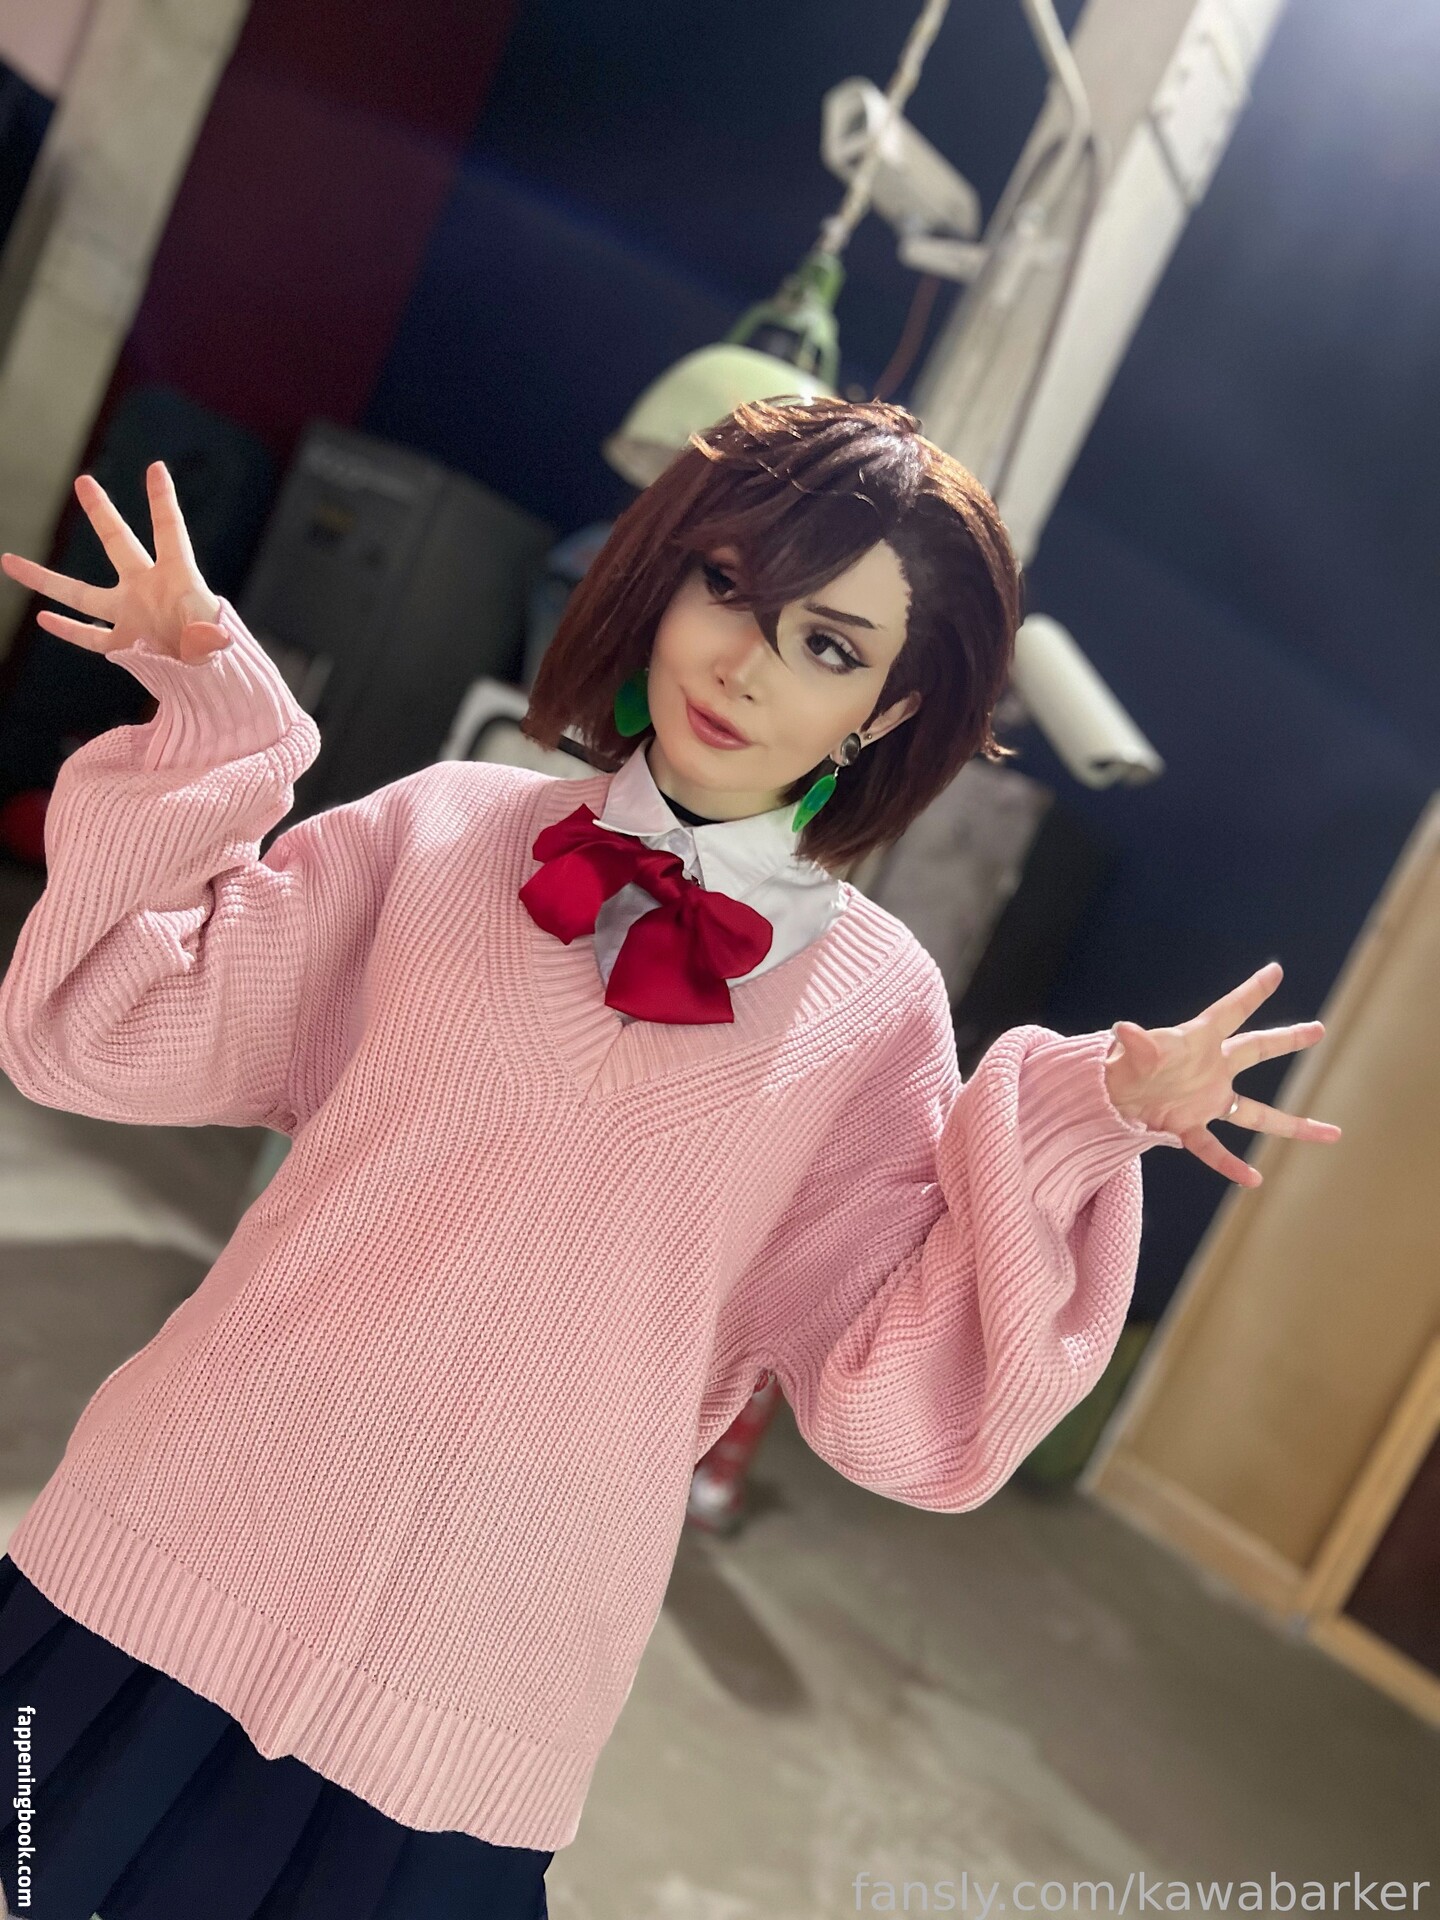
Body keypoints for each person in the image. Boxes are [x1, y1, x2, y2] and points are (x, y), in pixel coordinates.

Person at [0, 398, 1341, 1919]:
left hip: (474, 1692)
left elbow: (905, 1415)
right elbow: (95, 1031)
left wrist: (1084, 1123)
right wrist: (210, 724)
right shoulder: (447, 831)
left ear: (888, 710)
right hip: (166, 1542)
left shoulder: (878, 1012)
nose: (747, 665)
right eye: (729, 588)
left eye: (828, 646)